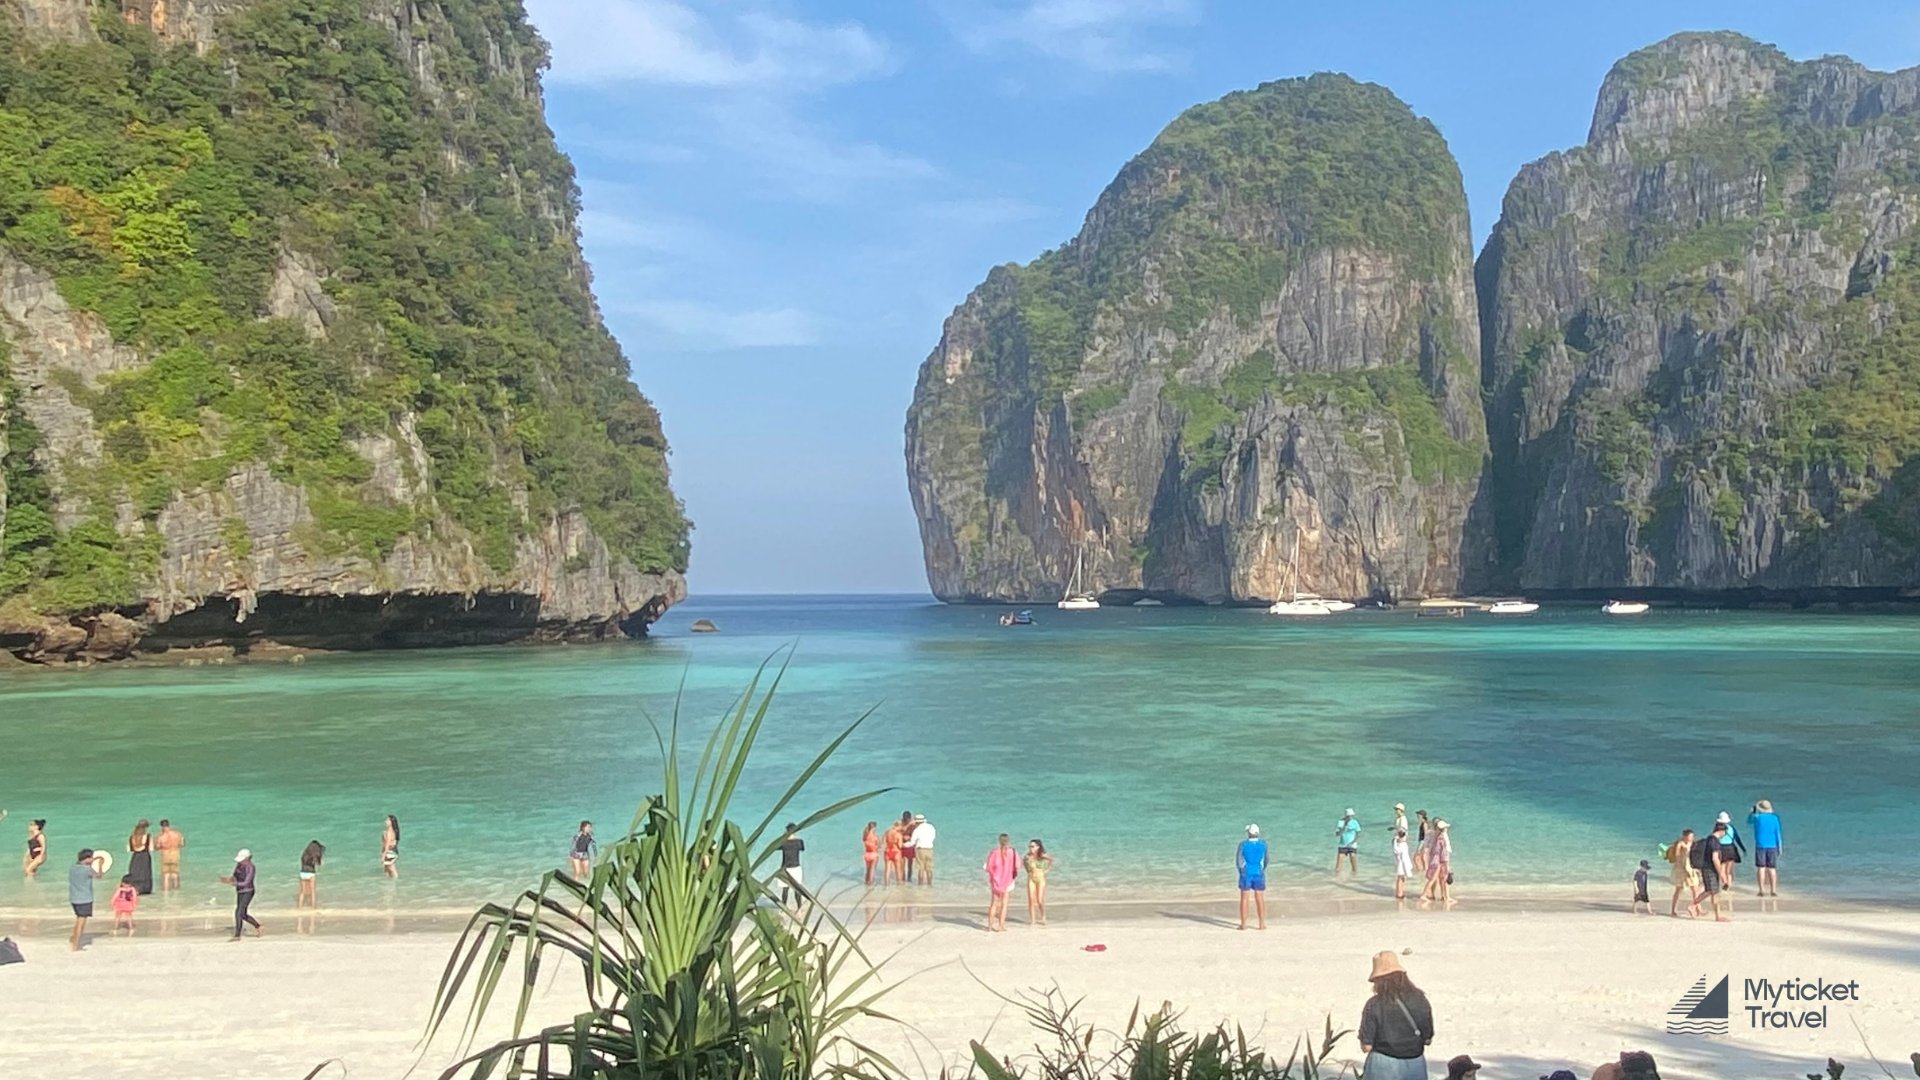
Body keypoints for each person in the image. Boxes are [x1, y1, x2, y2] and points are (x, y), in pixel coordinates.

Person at [1358, 951, 1434, 1080]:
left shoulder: (1374, 1004)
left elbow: (1366, 1046)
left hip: (1383, 1064)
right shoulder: (1420, 999)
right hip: (1415, 1063)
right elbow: (1427, 1039)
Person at [220, 849, 262, 940]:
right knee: (242, 914)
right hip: (240, 891)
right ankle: (257, 925)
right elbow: (235, 876)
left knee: (238, 912)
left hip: (248, 891)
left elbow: (247, 882)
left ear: (248, 858)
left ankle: (237, 935)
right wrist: (229, 879)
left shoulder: (251, 867)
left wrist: (235, 884)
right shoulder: (239, 865)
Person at [1698, 821, 1732, 922]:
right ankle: (1693, 905)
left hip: (1707, 868)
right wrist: (1721, 873)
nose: (1724, 836)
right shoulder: (1714, 841)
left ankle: (1718, 915)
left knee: (1712, 892)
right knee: (1713, 892)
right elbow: (1715, 858)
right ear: (1722, 831)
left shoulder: (1709, 838)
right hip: (1710, 869)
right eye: (1725, 833)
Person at [1747, 799, 1783, 897]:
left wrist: (1751, 812)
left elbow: (1748, 821)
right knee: (1772, 868)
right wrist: (1780, 846)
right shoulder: (1775, 818)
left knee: (1761, 868)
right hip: (1773, 845)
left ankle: (1761, 890)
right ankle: (1773, 890)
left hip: (1760, 845)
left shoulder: (1757, 818)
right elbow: (1777, 833)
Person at [983, 834, 1018, 931]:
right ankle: (1000, 925)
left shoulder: (994, 852)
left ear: (999, 841)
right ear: (1008, 841)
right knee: (1004, 904)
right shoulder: (1012, 852)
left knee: (994, 904)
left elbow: (989, 868)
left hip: (996, 881)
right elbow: (1017, 865)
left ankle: (989, 926)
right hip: (1008, 880)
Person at [1236, 824, 1267, 930]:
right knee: (1260, 898)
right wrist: (1262, 870)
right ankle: (1261, 924)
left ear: (1249, 833)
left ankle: (1243, 924)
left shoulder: (1243, 845)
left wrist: (1241, 871)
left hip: (1246, 872)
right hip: (1258, 872)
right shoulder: (1263, 845)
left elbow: (1239, 861)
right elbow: (1266, 860)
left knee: (1244, 898)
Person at [1665, 829, 1701, 918]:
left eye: (1692, 836)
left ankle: (1698, 909)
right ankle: (1673, 910)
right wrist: (1683, 849)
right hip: (1681, 870)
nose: (1692, 838)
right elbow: (1677, 856)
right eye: (1690, 836)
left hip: (1690, 869)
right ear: (1684, 836)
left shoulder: (1692, 844)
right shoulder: (1680, 844)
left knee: (1695, 889)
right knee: (1678, 890)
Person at [68, 848, 99, 951]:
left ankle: (74, 939)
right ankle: (76, 945)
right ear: (87, 858)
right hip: (84, 898)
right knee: (81, 922)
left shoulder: (73, 868)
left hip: (74, 898)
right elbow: (98, 876)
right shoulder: (87, 869)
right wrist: (101, 864)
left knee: (78, 920)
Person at [1422, 820, 1453, 904]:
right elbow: (1443, 852)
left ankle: (1445, 897)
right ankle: (1424, 895)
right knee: (1436, 879)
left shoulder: (1435, 836)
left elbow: (1432, 849)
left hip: (1435, 860)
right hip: (1439, 862)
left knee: (1436, 878)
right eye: (1445, 828)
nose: (1446, 829)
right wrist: (1446, 863)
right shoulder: (1441, 838)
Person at [1024, 839, 1053, 925]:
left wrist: (1047, 870)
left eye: (1032, 846)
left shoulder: (1042, 855)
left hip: (1040, 878)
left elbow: (1051, 860)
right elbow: (1025, 865)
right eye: (1030, 846)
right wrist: (1029, 871)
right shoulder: (1027, 856)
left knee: (1040, 900)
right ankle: (1033, 920)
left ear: (1037, 847)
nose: (1031, 848)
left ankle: (1043, 916)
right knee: (1031, 900)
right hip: (1031, 878)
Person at [1715, 811, 1746, 888]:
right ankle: (1729, 885)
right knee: (1729, 871)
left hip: (1722, 848)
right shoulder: (1732, 828)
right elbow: (1737, 839)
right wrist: (1743, 849)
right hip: (1731, 848)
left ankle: (1725, 883)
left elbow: (1714, 839)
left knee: (1722, 868)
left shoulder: (1717, 828)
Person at [777, 823, 806, 907]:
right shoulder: (799, 842)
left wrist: (783, 837)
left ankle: (784, 908)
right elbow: (802, 848)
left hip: (785, 868)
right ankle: (799, 909)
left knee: (785, 890)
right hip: (796, 868)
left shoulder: (783, 842)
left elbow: (776, 847)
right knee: (797, 890)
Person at [126, 819, 155, 896]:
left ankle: (135, 889)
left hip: (135, 856)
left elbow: (129, 849)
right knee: (145, 873)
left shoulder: (132, 838)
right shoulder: (148, 837)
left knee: (135, 872)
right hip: (145, 856)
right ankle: (145, 890)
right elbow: (151, 848)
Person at [155, 819, 184, 892]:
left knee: (166, 875)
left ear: (162, 826)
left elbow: (158, 846)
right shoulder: (177, 834)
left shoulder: (161, 837)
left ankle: (166, 893)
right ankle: (176, 891)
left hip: (165, 855)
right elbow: (181, 844)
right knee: (175, 873)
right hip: (175, 854)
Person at [297, 840, 326, 908]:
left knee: (302, 892)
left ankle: (299, 907)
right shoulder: (314, 856)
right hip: (311, 873)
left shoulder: (304, 855)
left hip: (303, 873)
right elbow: (319, 864)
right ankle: (313, 907)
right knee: (312, 892)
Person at [1333, 809, 1362, 876]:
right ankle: (1336, 876)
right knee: (1339, 861)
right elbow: (1337, 834)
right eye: (1349, 816)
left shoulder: (1355, 822)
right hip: (1343, 844)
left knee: (1352, 857)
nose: (1350, 818)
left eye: (1351, 816)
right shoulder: (1340, 822)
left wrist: (1354, 841)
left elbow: (1358, 833)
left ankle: (1354, 874)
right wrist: (1344, 827)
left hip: (1352, 844)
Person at [909, 814, 936, 885]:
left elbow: (912, 842)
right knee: (929, 869)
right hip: (930, 849)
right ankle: (929, 884)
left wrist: (904, 845)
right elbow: (933, 837)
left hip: (920, 849)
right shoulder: (931, 827)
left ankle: (920, 885)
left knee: (921, 868)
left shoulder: (917, 830)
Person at [882, 817, 905, 885]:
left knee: (887, 870)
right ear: (899, 825)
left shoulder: (887, 832)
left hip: (887, 851)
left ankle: (886, 884)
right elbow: (900, 846)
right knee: (898, 870)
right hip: (896, 852)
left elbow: (883, 841)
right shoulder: (898, 835)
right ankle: (899, 884)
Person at [1392, 828, 1413, 900]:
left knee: (1400, 878)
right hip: (1403, 864)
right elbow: (1405, 857)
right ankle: (1399, 893)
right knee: (1401, 879)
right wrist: (1408, 866)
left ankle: (1400, 892)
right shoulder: (1403, 845)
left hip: (1399, 863)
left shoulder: (1396, 844)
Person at [899, 811, 918, 882]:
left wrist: (908, 837)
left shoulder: (904, 824)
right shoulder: (911, 825)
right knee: (906, 864)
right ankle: (906, 878)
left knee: (907, 864)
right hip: (906, 846)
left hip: (907, 846)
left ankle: (907, 878)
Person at [861, 821, 879, 887]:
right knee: (872, 870)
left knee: (868, 869)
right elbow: (878, 845)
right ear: (874, 828)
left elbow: (864, 842)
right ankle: (871, 883)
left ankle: (866, 882)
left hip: (867, 854)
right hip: (874, 854)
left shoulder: (865, 836)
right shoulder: (875, 837)